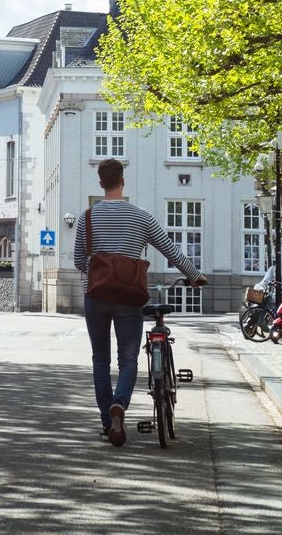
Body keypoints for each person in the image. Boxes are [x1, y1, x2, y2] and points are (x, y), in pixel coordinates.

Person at [73, 157, 206, 445]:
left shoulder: (87, 218)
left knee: (100, 360)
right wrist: (194, 275)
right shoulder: (140, 217)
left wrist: (100, 273)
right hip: (129, 297)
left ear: (101, 184)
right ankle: (120, 403)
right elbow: (170, 250)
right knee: (129, 359)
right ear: (122, 181)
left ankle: (109, 424)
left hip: (95, 296)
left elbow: (78, 260)